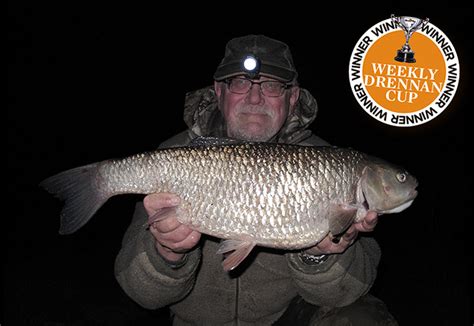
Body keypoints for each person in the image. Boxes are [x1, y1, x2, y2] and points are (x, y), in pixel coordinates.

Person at [114, 34, 398, 325]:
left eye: (272, 86)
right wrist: (167, 252)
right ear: (218, 91)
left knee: (363, 317)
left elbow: (350, 290)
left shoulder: (328, 163)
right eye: (239, 82)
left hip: (287, 318)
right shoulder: (173, 158)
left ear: (293, 96)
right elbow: (141, 293)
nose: (254, 97)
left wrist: (318, 257)